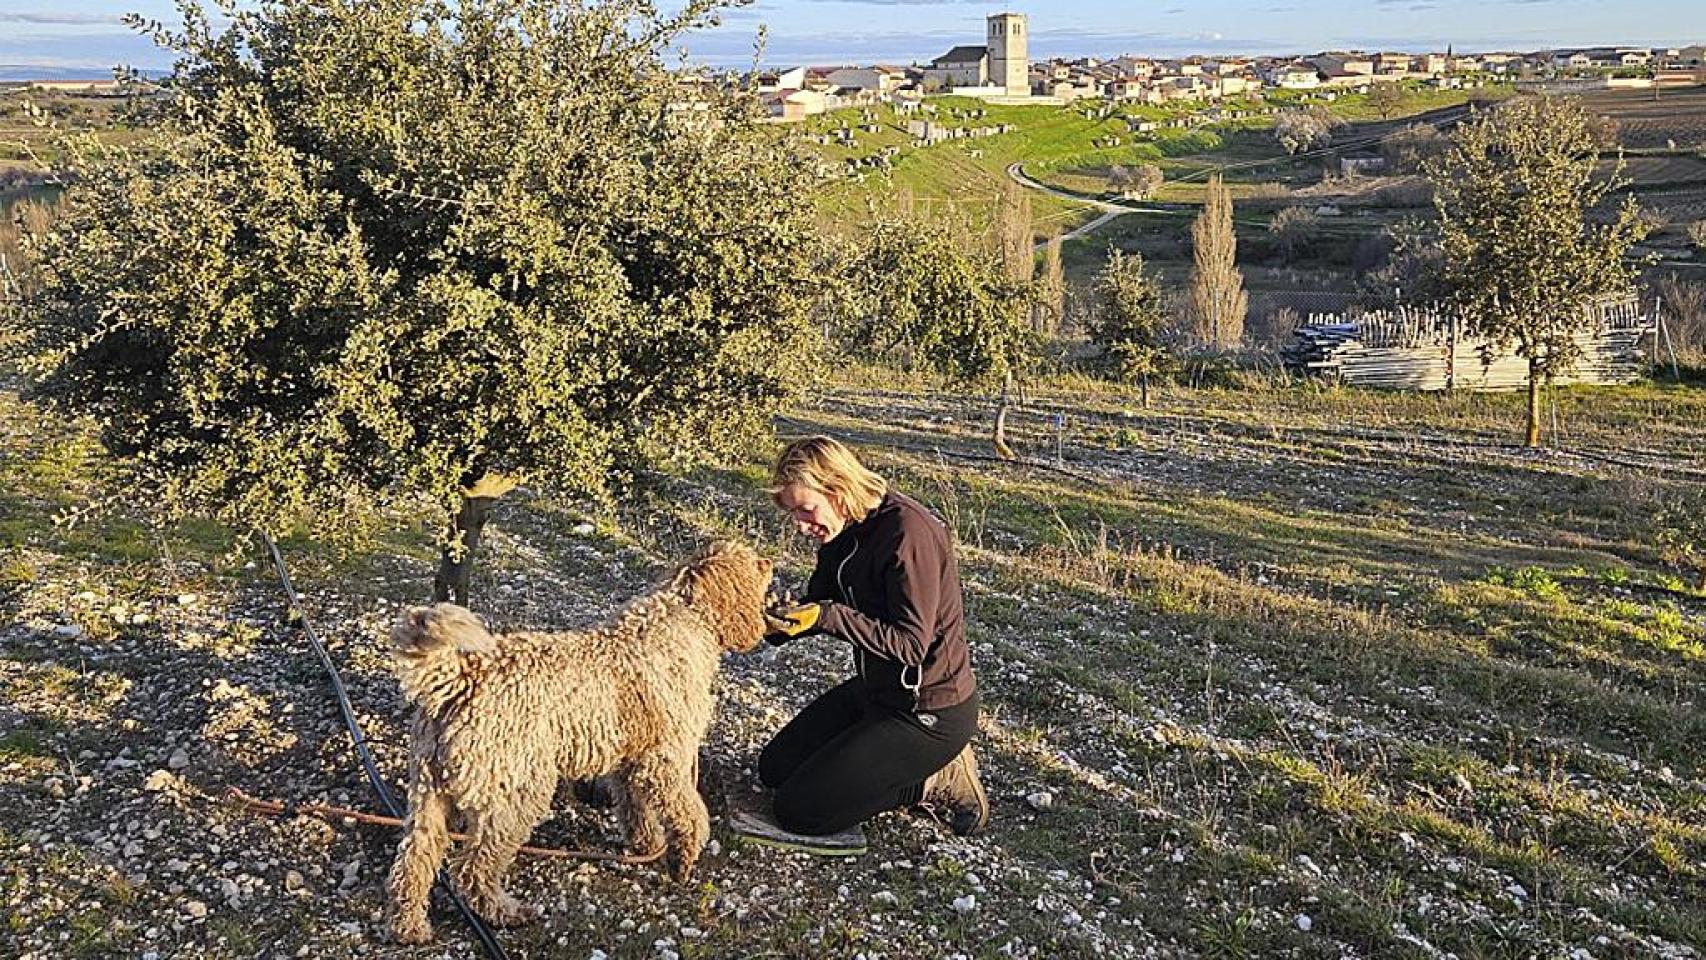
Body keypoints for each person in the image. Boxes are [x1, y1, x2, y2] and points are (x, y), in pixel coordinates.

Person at [755, 435, 989, 839]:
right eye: (793, 513)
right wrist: (777, 623)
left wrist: (826, 616)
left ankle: (935, 780)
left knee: (798, 812)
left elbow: (911, 645)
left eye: (806, 509)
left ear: (837, 489)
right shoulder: (839, 530)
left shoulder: (907, 534)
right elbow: (821, 601)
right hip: (876, 689)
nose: (800, 525)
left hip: (928, 708)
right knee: (773, 769)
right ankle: (880, 760)